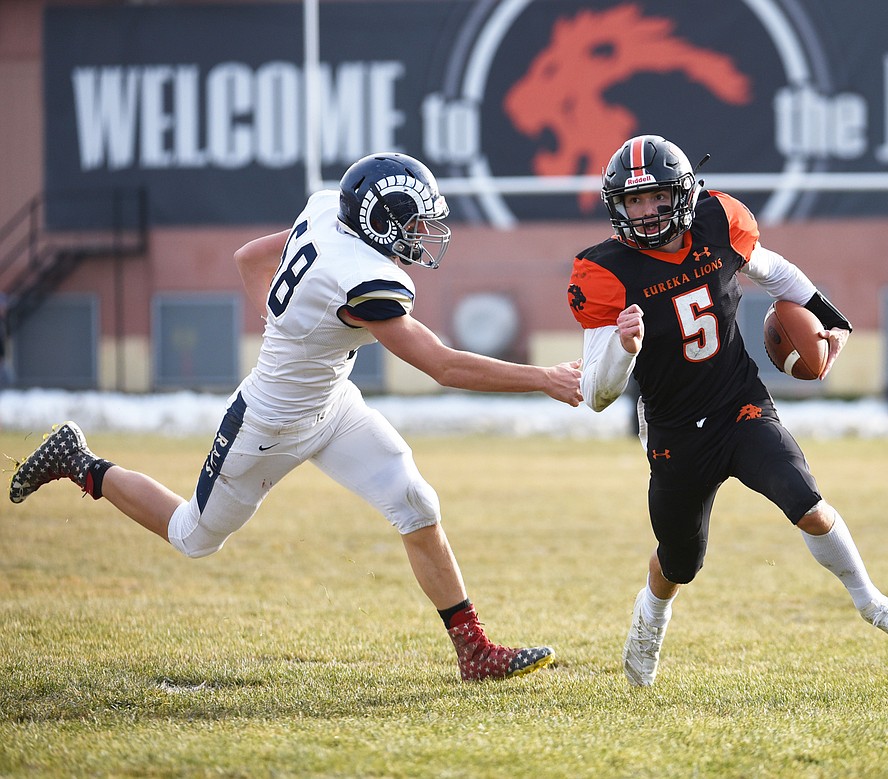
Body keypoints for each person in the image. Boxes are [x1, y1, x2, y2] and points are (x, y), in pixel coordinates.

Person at [9, 152, 583, 682]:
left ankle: (474, 652)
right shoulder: (365, 277)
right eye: (411, 226)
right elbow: (443, 366)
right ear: (379, 225)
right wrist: (542, 379)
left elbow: (251, 256)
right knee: (192, 537)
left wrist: (281, 323)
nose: (423, 237)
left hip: (331, 405)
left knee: (417, 505)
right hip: (268, 424)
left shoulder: (331, 209)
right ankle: (81, 463)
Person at [566, 135, 888, 687]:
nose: (645, 212)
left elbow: (775, 271)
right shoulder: (607, 273)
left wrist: (827, 315)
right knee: (679, 561)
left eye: (657, 198)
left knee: (805, 500)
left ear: (684, 196)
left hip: (737, 403)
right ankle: (651, 616)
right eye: (633, 201)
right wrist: (625, 349)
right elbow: (596, 395)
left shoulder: (719, 224)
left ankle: (871, 601)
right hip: (672, 430)